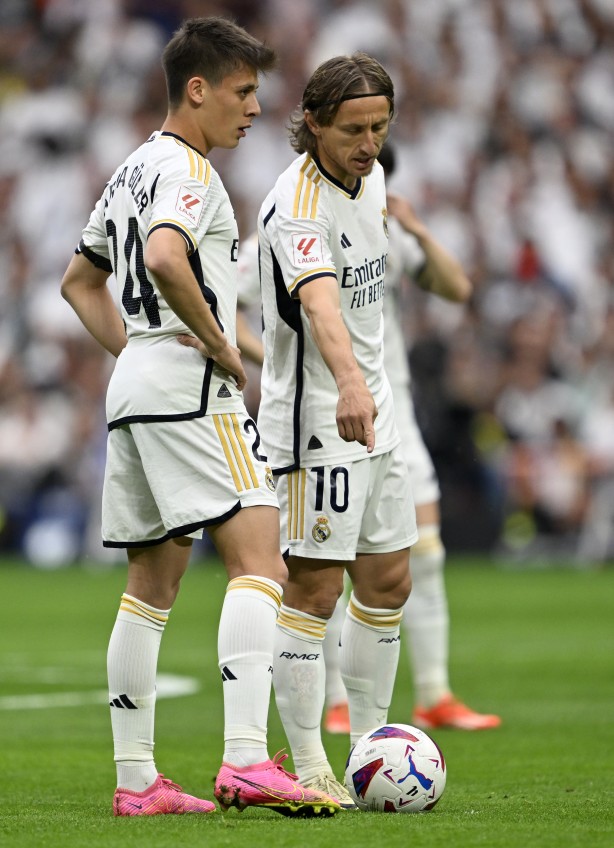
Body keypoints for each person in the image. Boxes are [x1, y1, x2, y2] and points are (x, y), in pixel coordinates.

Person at [60, 16, 338, 819]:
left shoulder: (130, 169)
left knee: (150, 584)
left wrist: (138, 351)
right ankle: (247, 760)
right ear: (198, 89)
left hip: (139, 386)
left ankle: (137, 779)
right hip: (188, 386)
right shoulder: (187, 169)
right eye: (244, 91)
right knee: (262, 560)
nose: (254, 108)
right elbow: (164, 257)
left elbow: (79, 282)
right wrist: (218, 343)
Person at [255, 53, 417, 808]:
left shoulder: (373, 178)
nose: (369, 142)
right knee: (314, 591)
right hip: (320, 422)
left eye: (380, 126)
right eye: (353, 128)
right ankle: (309, 761)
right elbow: (320, 303)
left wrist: (372, 389)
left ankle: (371, 749)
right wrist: (351, 382)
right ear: (312, 122)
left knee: (388, 580)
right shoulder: (296, 202)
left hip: (376, 416)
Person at [322, 142, 502, 734]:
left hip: (395, 419)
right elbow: (242, 299)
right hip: (331, 418)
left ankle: (433, 694)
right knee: (328, 564)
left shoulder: (392, 241)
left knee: (421, 558)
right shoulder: (309, 224)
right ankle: (337, 701)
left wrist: (416, 227)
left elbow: (458, 288)